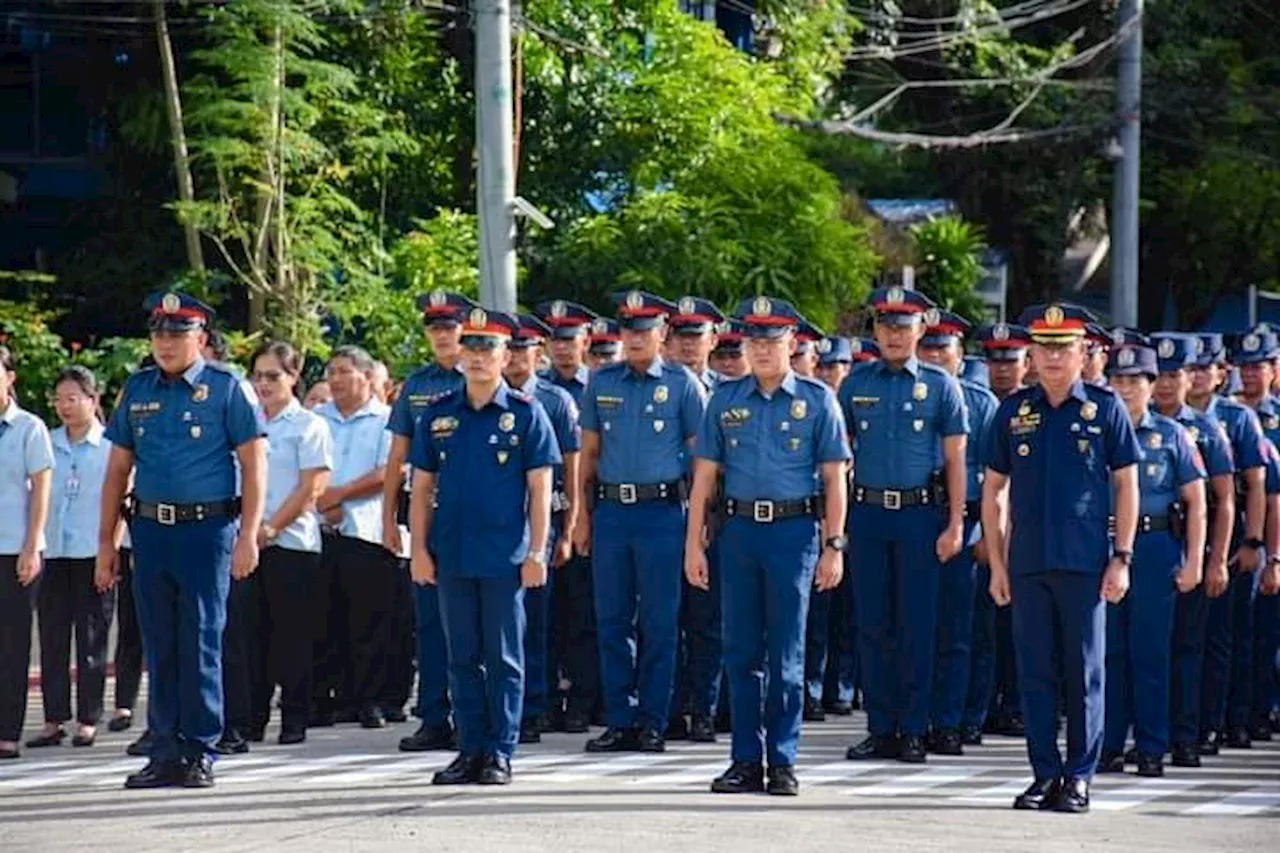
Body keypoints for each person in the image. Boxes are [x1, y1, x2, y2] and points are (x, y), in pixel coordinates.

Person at [99, 292, 266, 788]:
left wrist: (248, 536)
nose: (165, 343)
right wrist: (107, 543)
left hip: (207, 531)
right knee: (159, 642)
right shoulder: (137, 389)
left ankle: (199, 748)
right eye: (158, 333)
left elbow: (254, 464)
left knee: (200, 639)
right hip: (149, 530)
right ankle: (164, 747)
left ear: (200, 338)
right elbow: (116, 472)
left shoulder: (226, 387)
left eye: (176, 334)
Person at [687, 295, 850, 796]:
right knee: (739, 650)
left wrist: (834, 546)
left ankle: (782, 759)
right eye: (752, 340)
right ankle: (744, 759)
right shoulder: (725, 399)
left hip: (793, 534)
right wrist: (694, 544)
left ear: (792, 344)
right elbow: (704, 478)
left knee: (786, 654)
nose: (759, 350)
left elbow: (834, 479)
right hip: (738, 534)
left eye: (771, 340)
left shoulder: (819, 400)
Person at [983, 302, 1140, 814]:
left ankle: (1079, 777)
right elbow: (994, 491)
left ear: (1082, 353)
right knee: (1034, 673)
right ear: (1031, 354)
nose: (1052, 358)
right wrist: (999, 565)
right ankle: (1044, 774)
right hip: (1028, 563)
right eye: (1044, 348)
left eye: (1063, 348)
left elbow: (1126, 484)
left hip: (1085, 563)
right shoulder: (1013, 411)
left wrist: (1122, 557)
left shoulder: (1104, 408)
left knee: (1085, 672)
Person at [408, 307, 560, 785]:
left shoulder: (525, 414)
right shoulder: (438, 415)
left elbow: (540, 491)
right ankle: (469, 747)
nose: (476, 358)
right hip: (451, 552)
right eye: (470, 348)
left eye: (487, 349)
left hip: (503, 556)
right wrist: (418, 549)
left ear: (504, 355)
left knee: (503, 657)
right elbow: (422, 488)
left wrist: (537, 551)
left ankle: (499, 750)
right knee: (460, 656)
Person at [840, 287, 967, 765]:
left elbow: (956, 461)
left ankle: (915, 727)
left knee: (917, 625)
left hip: (919, 516)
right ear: (874, 331)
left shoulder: (940, 386)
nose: (894, 335)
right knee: (872, 624)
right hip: (869, 515)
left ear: (920, 330)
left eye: (903, 326)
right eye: (886, 326)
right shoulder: (855, 384)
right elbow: (839, 455)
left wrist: (955, 523)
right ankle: (881, 727)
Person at [577, 290, 707, 753]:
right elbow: (587, 456)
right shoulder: (601, 382)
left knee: (659, 621)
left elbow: (700, 462)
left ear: (662, 335)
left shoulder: (682, 385)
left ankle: (654, 719)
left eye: (644, 330)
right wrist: (581, 517)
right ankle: (620, 718)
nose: (635, 338)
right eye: (628, 330)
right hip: (612, 512)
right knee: (612, 620)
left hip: (662, 514)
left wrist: (700, 524)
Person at [1098, 344, 1207, 778]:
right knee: (1108, 653)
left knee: (1151, 652)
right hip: (1103, 546)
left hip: (1156, 545)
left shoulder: (1172, 435)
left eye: (1134, 381)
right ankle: (1107, 744)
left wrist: (1195, 559)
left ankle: (1150, 746)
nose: (1125, 389)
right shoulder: (1096, 431)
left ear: (1151, 385)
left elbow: (1197, 501)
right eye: (1118, 380)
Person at [386, 290, 474, 751]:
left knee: (471, 621)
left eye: (449, 327)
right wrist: (387, 519)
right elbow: (397, 456)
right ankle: (434, 715)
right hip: (424, 513)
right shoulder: (415, 387)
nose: (442, 335)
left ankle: (472, 714)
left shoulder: (479, 379)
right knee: (429, 622)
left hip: (471, 514)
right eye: (434, 328)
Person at [1149, 332, 1236, 767]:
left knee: (1187, 648)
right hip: (1148, 550)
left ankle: (1187, 735)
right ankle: (1150, 733)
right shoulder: (1133, 422)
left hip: (1189, 549)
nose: (1165, 385)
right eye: (1159, 375)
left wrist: (1215, 559)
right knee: (1146, 650)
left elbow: (1224, 500)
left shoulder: (1207, 429)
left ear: (1190, 377)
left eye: (1174, 375)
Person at [918, 310, 998, 757]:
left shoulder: (979, 401)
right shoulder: (905, 391)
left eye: (941, 347)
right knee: (911, 626)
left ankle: (955, 721)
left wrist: (987, 532)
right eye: (926, 346)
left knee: (960, 630)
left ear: (959, 354)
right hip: (915, 517)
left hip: (965, 522)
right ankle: (913, 718)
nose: (933, 355)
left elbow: (994, 477)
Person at [247, 341, 333, 745]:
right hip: (247, 542)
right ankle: (250, 718)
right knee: (250, 635)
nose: (264, 384)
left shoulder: (308, 424)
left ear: (293, 377)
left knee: (292, 635)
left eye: (273, 376)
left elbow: (312, 486)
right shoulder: (245, 421)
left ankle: (295, 717)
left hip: (292, 543)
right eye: (258, 376)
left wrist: (270, 528)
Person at [1186, 332, 1267, 755]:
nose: (1198, 376)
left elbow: (1257, 488)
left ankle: (1225, 721)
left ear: (1221, 373)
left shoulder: (1236, 420)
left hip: (1227, 532)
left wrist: (1255, 542)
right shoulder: (1172, 419)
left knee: (1226, 636)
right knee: (1184, 639)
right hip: (1179, 535)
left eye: (1206, 367)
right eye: (1191, 368)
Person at [30, 367, 117, 751]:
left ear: (93, 400)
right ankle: (53, 719)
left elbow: (119, 504)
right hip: (54, 552)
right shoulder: (47, 443)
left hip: (92, 552)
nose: (65, 406)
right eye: (59, 399)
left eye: (73, 398)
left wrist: (108, 551)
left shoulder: (111, 446)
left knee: (92, 639)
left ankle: (88, 718)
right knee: (52, 638)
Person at [505, 314, 582, 744]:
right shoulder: (480, 398)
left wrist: (568, 528)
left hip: (543, 521)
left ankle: (536, 704)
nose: (516, 358)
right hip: (499, 522)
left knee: (539, 619)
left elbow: (571, 471)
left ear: (539, 352)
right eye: (510, 349)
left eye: (524, 349)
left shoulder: (554, 401)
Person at [312, 346, 394, 730]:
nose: (336, 379)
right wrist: (320, 500)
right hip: (319, 528)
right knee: (324, 618)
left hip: (365, 530)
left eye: (344, 372)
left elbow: (388, 472)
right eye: (332, 372)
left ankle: (369, 699)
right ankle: (333, 697)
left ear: (365, 376)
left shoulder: (384, 420)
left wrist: (339, 495)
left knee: (369, 620)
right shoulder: (315, 419)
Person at [534, 299, 601, 733]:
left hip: (588, 512)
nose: (561, 348)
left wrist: (582, 519)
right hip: (541, 511)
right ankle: (545, 698)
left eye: (569, 339)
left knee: (584, 613)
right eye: (554, 340)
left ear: (585, 342)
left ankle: (584, 699)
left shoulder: (598, 387)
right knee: (545, 616)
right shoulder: (535, 391)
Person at [967, 322, 1032, 742]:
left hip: (1026, 531)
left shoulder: (1032, 408)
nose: (1002, 369)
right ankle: (982, 707)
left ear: (1027, 363)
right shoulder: (979, 405)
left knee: (1021, 630)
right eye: (994, 360)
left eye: (1010, 360)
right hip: (982, 527)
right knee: (981, 628)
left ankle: (1016, 706)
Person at [667, 296, 725, 742]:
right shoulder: (659, 386)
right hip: (665, 513)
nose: (689, 346)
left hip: (713, 518)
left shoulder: (728, 392)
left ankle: (705, 708)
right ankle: (668, 707)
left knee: (707, 620)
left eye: (697, 337)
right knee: (664, 618)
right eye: (681, 337)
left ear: (714, 339)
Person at [0, 346, 54, 760]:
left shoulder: (29, 428)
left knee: (13, 644)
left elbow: (41, 490)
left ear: (9, 377)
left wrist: (32, 543)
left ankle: (8, 731)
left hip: (14, 548)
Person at [1229, 330, 1280, 745]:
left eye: (1257, 366)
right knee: (1240, 632)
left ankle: (1263, 709)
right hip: (1242, 531)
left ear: (1273, 370)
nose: (1249, 374)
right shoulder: (1228, 415)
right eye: (1243, 366)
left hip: (1271, 531)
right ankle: (1243, 714)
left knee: (1267, 635)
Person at [805, 336, 857, 722]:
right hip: (814, 517)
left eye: (834, 366)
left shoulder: (851, 404)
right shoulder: (807, 404)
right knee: (816, 612)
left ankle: (841, 685)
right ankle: (813, 689)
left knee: (849, 613)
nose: (827, 372)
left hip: (858, 516)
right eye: (821, 365)